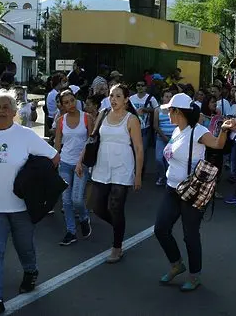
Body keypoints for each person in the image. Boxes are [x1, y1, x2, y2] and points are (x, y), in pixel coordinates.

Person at [0, 89, 59, 316]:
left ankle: (30, 271)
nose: (1, 111)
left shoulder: (25, 135)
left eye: (6, 107)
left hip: (20, 206)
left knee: (24, 246)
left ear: (15, 111)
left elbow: (53, 158)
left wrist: (35, 185)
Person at [154, 93, 235, 291]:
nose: (167, 115)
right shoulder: (176, 131)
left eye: (170, 111)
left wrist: (224, 130)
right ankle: (176, 264)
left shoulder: (198, 131)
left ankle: (194, 275)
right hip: (172, 188)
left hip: (191, 191)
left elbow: (217, 144)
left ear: (179, 112)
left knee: (190, 235)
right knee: (161, 229)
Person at [84, 84, 143, 263]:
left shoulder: (131, 119)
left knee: (116, 207)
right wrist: (81, 161)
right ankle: (119, 226)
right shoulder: (102, 114)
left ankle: (117, 247)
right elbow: (92, 138)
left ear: (126, 99)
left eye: (118, 96)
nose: (113, 99)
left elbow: (139, 148)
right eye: (111, 96)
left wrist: (138, 174)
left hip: (122, 167)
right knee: (97, 207)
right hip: (102, 165)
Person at [54, 90, 93, 245]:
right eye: (66, 102)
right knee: (66, 200)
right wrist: (53, 160)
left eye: (72, 100)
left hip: (81, 164)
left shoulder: (86, 117)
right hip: (64, 163)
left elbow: (91, 141)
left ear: (76, 100)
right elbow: (57, 144)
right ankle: (71, 231)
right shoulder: (61, 120)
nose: (70, 104)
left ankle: (84, 218)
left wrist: (83, 161)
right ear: (62, 105)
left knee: (77, 199)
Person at [154, 90, 177, 186]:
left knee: (170, 159)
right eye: (166, 96)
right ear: (162, 98)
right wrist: (163, 136)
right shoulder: (157, 110)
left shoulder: (175, 110)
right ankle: (162, 176)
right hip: (161, 137)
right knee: (159, 158)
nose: (168, 98)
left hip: (173, 138)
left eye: (170, 96)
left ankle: (169, 178)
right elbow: (155, 125)